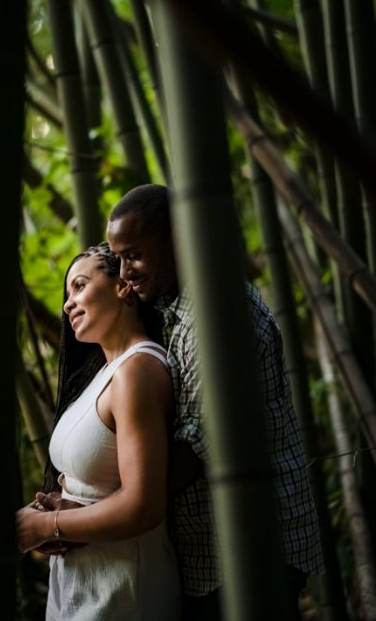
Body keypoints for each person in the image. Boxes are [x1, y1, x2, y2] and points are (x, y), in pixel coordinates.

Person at [69, 183, 322, 618]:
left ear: (176, 240)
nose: (125, 271)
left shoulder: (217, 316)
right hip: (209, 549)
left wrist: (85, 514)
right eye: (119, 258)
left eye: (135, 255)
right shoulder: (170, 305)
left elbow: (196, 453)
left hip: (248, 548)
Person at [16, 243, 180, 619]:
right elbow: (102, 486)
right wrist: (65, 507)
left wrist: (47, 525)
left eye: (79, 286)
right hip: (88, 589)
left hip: (124, 593)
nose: (67, 304)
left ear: (123, 285)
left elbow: (143, 505)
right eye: (67, 293)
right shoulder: (107, 373)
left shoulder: (136, 371)